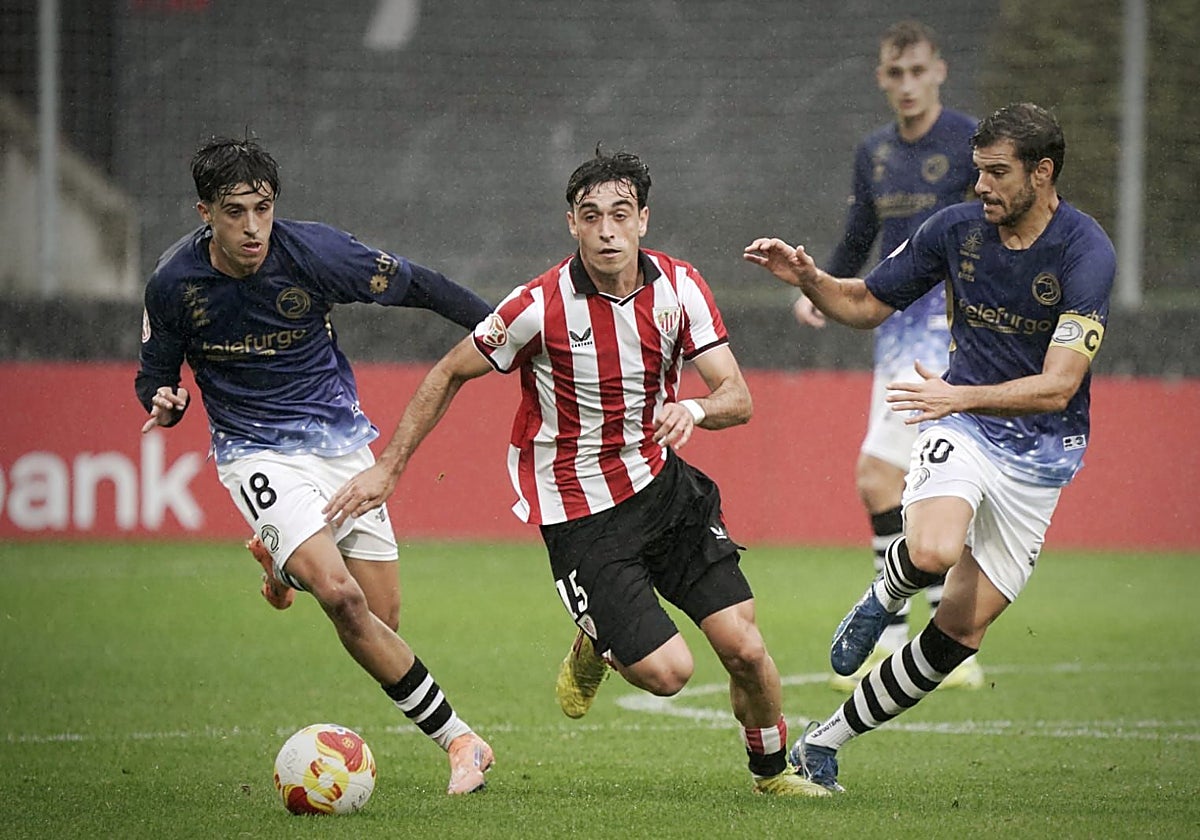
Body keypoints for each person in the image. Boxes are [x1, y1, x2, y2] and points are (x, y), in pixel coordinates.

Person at [323, 148, 830, 797]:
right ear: (573, 224)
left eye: (621, 214)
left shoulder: (680, 287)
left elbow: (738, 397)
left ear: (643, 219)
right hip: (581, 515)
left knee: (746, 649)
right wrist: (389, 469)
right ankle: (595, 643)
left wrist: (695, 408)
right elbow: (450, 369)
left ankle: (771, 774)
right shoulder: (537, 306)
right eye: (592, 217)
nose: (607, 230)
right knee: (670, 673)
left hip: (665, 490)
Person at [744, 102, 1115, 792]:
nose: (982, 187)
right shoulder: (954, 231)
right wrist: (812, 281)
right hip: (962, 426)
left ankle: (828, 740)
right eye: (978, 172)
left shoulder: (1085, 251)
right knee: (935, 549)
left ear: (1043, 172)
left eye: (998, 174)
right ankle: (884, 595)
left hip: (1038, 455)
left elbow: (1060, 386)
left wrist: (957, 395)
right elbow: (863, 305)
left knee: (959, 634)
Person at [135, 137, 496, 795]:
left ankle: (281, 562)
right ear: (204, 212)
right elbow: (156, 374)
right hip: (255, 453)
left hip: (340, 447)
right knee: (343, 598)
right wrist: (164, 401)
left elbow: (420, 284)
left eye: (263, 209)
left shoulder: (317, 254)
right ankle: (462, 741)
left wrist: (506, 329)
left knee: (381, 620)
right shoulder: (173, 283)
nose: (251, 228)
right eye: (235, 211)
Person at [793, 20, 982, 691]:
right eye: (894, 74)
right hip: (893, 329)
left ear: (940, 71)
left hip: (949, 330)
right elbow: (861, 235)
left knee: (879, 476)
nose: (906, 85)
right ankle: (946, 645)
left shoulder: (969, 142)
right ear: (881, 78)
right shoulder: (873, 153)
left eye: (917, 71)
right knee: (913, 484)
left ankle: (894, 638)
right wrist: (820, 288)